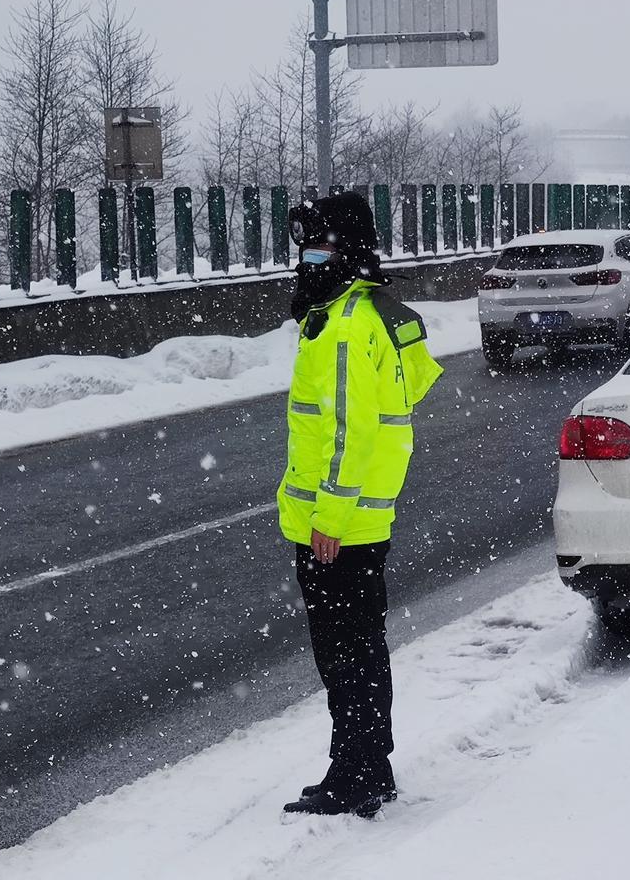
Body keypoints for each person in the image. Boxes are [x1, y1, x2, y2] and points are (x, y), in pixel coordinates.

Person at [276, 191, 443, 818]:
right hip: (363, 518)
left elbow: (352, 430)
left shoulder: (346, 323)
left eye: (317, 246)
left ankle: (357, 775)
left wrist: (330, 520)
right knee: (360, 647)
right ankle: (368, 764)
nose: (307, 259)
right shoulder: (374, 309)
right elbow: (411, 387)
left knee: (345, 654)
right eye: (304, 247)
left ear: (344, 250)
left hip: (337, 526)